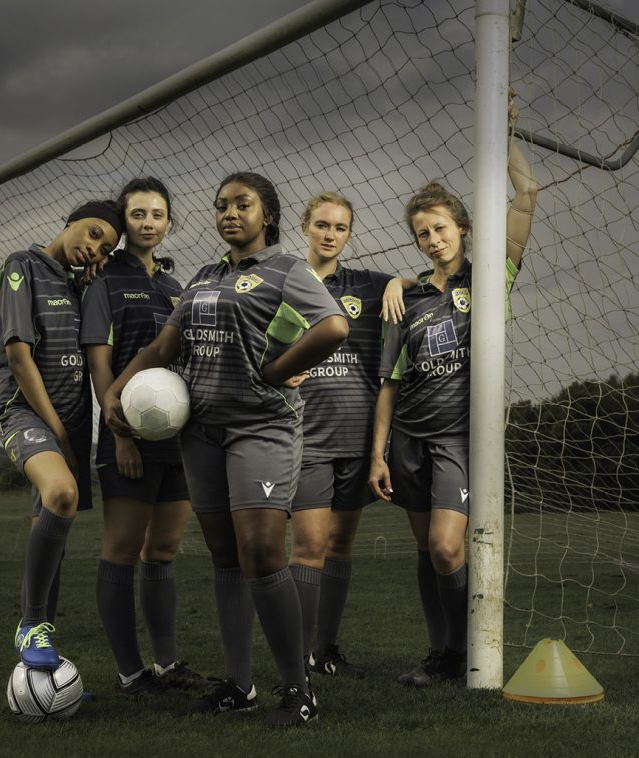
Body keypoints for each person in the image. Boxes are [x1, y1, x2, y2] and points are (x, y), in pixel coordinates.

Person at [103, 171, 349, 726]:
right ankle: (241, 686)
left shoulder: (287, 269)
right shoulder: (201, 277)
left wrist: (278, 368)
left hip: (261, 429)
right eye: (221, 205)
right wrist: (117, 389)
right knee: (225, 558)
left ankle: (298, 690)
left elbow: (333, 326)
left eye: (243, 204)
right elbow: (167, 344)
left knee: (262, 552)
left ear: (268, 214)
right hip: (202, 433)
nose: (230, 213)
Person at [369, 95, 538, 686]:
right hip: (407, 439)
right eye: (421, 234)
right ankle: (441, 654)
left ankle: (471, 652)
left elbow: (527, 197)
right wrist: (378, 452)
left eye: (439, 228)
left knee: (447, 547)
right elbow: (389, 382)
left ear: (462, 228)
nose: (432, 240)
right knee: (426, 551)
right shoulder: (406, 297)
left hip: (460, 439)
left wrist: (504, 137)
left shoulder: (493, 275)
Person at [81, 177, 207, 697]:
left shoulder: (177, 288)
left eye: (157, 214)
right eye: (138, 214)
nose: (148, 223)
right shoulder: (104, 282)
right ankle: (132, 675)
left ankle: (166, 664)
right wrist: (122, 438)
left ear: (169, 222)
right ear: (123, 221)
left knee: (164, 549)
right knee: (123, 549)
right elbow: (99, 364)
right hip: (127, 439)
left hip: (175, 441)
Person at [0, 200, 123, 670]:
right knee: (63, 492)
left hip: (72, 420)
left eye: (104, 246)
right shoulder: (22, 265)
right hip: (28, 414)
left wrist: (92, 286)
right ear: (69, 223)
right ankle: (29, 621)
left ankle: (39, 661)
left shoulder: (82, 285)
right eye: (91, 234)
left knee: (54, 529)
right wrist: (59, 433)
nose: (93, 248)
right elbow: (19, 357)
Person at [288, 192, 410, 679]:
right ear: (305, 227)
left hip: (358, 440)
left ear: (349, 234)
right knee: (309, 547)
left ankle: (326, 650)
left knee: (340, 546)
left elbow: (416, 282)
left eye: (339, 227)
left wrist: (399, 282)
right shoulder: (284, 281)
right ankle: (295, 655)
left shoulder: (367, 284)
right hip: (305, 437)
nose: (329, 234)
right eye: (321, 224)